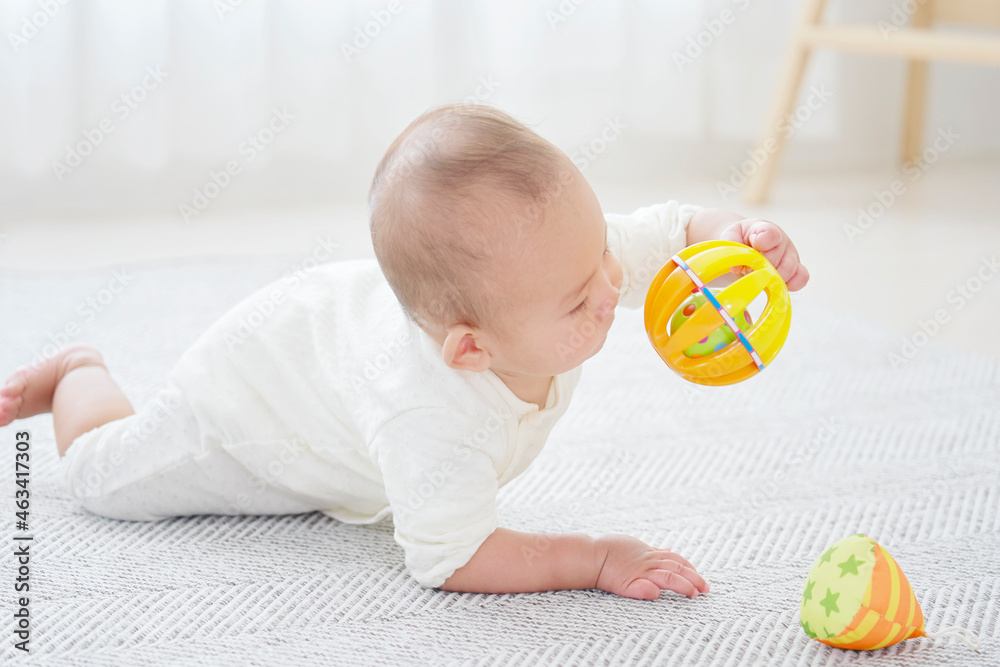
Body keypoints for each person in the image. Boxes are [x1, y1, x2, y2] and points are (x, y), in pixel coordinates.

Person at [0, 103, 808, 601]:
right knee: (98, 478)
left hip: (331, 336)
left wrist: (737, 243)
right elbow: (453, 557)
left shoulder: (568, 263)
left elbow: (669, 235)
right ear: (469, 348)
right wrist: (594, 557)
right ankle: (79, 372)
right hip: (246, 402)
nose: (611, 286)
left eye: (601, 250)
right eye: (578, 297)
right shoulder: (432, 413)